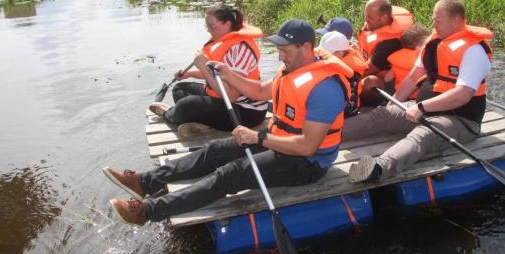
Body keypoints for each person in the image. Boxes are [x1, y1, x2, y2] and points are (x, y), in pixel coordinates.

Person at [104, 19, 352, 225]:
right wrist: (228, 74)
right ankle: (144, 182)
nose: (280, 56)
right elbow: (259, 91)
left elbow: (308, 146)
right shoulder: (291, 69)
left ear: (306, 47)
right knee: (214, 150)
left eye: (285, 50)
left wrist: (258, 137)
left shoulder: (325, 89)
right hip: (281, 142)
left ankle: (148, 211)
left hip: (307, 163)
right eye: (279, 49)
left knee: (231, 174)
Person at [345, 0, 493, 184]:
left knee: (424, 135)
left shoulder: (474, 51)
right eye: (433, 19)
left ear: (455, 21)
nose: (433, 25)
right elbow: (412, 79)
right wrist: (393, 105)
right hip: (424, 108)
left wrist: (422, 107)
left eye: (438, 21)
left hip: (461, 120)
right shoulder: (433, 44)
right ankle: (329, 134)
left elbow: (462, 95)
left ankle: (377, 169)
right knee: (381, 115)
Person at [148, 5, 268, 133]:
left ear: (227, 24)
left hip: (244, 112)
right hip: (223, 99)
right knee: (180, 89)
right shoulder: (223, 41)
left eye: (212, 26)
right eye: (207, 26)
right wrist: (189, 74)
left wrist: (203, 67)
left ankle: (167, 113)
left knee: (186, 105)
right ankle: (204, 124)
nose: (208, 31)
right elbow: (217, 73)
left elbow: (231, 96)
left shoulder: (240, 50)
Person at [357, 0, 414, 106]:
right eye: (366, 15)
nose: (366, 20)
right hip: (378, 68)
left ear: (384, 18)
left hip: (394, 83)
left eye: (369, 17)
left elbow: (365, 72)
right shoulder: (377, 24)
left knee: (368, 83)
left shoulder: (388, 44)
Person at [318, 30, 368, 116]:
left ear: (340, 54)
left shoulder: (348, 73)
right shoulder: (336, 62)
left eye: (325, 54)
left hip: (345, 116)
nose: (321, 57)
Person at [384, 23, 430, 99]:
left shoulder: (397, 59)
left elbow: (387, 78)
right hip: (420, 98)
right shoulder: (424, 58)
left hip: (401, 97)